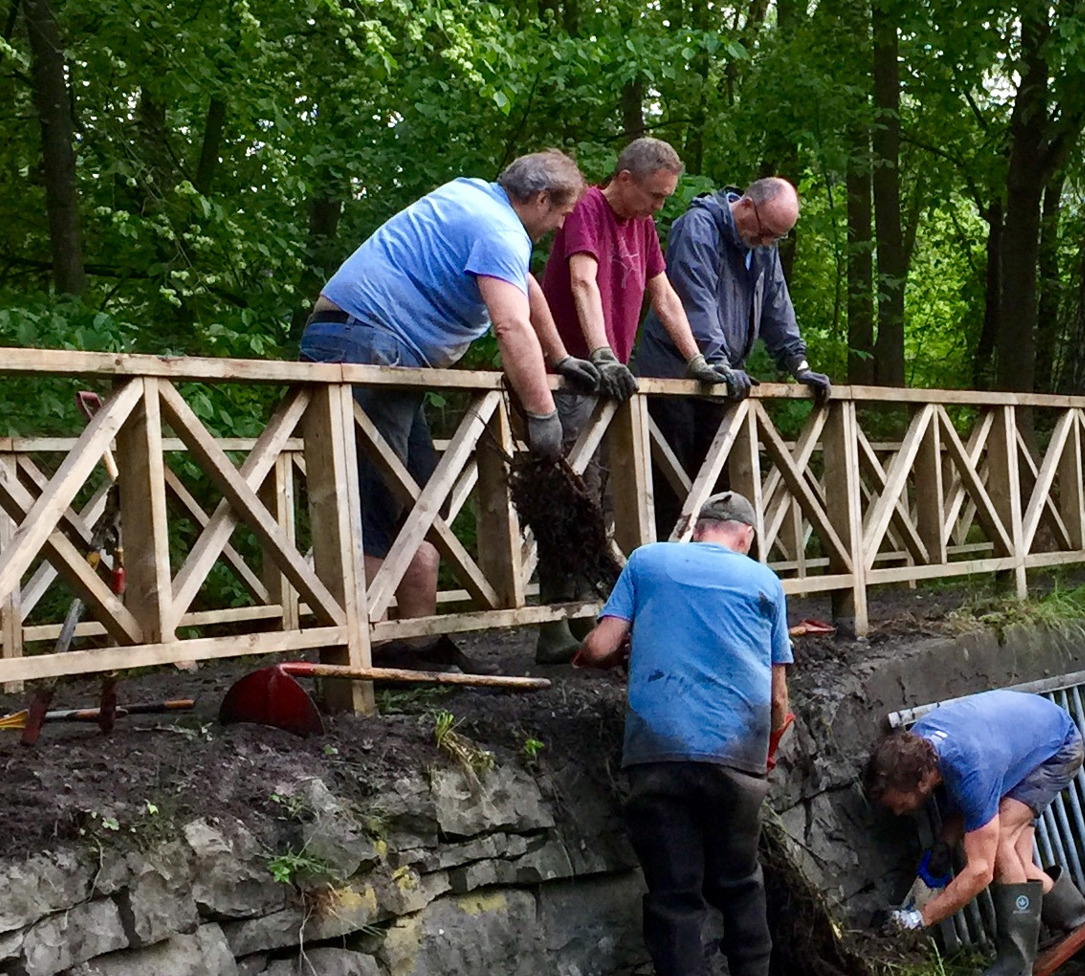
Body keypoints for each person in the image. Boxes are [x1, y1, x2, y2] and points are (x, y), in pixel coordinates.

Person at [300, 150, 586, 660]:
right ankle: (359, 653)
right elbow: (510, 325)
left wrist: (560, 356)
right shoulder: (496, 229)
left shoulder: (473, 197)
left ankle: (417, 643)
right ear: (542, 199)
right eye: (562, 213)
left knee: (420, 500)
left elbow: (524, 286)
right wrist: (543, 416)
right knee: (372, 506)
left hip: (375, 345)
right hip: (363, 345)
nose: (562, 225)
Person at [574, 489, 792, 976]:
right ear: (746, 537)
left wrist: (587, 660)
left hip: (658, 757)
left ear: (697, 528)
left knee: (675, 898)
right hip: (736, 760)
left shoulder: (647, 560)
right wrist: (765, 754)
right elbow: (778, 701)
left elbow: (599, 647)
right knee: (740, 884)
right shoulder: (765, 583)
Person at [534, 135, 729, 660]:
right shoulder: (585, 210)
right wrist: (599, 352)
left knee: (604, 499)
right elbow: (582, 281)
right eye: (655, 195)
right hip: (572, 379)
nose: (660, 207)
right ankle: (553, 624)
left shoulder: (641, 226)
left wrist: (696, 359)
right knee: (568, 496)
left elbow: (663, 294)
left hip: (609, 384)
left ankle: (589, 614)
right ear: (624, 179)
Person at [631, 174, 833, 533]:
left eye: (777, 237)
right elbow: (695, 301)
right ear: (747, 205)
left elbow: (777, 306)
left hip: (721, 380)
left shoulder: (762, 246)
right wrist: (717, 359)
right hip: (673, 377)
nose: (767, 242)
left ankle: (714, 564)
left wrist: (799, 364)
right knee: (672, 490)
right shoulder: (698, 227)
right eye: (766, 231)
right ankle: (669, 563)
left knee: (719, 496)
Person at [863, 688, 1085, 976]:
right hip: (1025, 737)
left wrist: (920, 917)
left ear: (922, 782)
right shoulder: (919, 749)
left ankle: (1014, 974)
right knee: (1020, 863)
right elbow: (968, 804)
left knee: (1001, 847)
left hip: (1056, 749)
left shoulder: (970, 769)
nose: (897, 812)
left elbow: (979, 872)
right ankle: (1080, 924)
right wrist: (944, 844)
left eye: (900, 803)